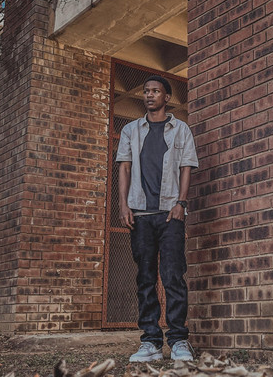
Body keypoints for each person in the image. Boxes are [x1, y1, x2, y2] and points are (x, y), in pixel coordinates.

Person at [116, 75, 198, 363]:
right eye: (146, 91)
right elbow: (124, 168)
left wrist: (181, 203)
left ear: (166, 97)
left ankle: (178, 340)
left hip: (170, 214)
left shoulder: (181, 130)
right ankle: (150, 341)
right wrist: (123, 205)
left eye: (155, 91)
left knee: (173, 276)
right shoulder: (130, 130)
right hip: (140, 215)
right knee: (145, 279)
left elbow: (186, 167)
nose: (149, 95)